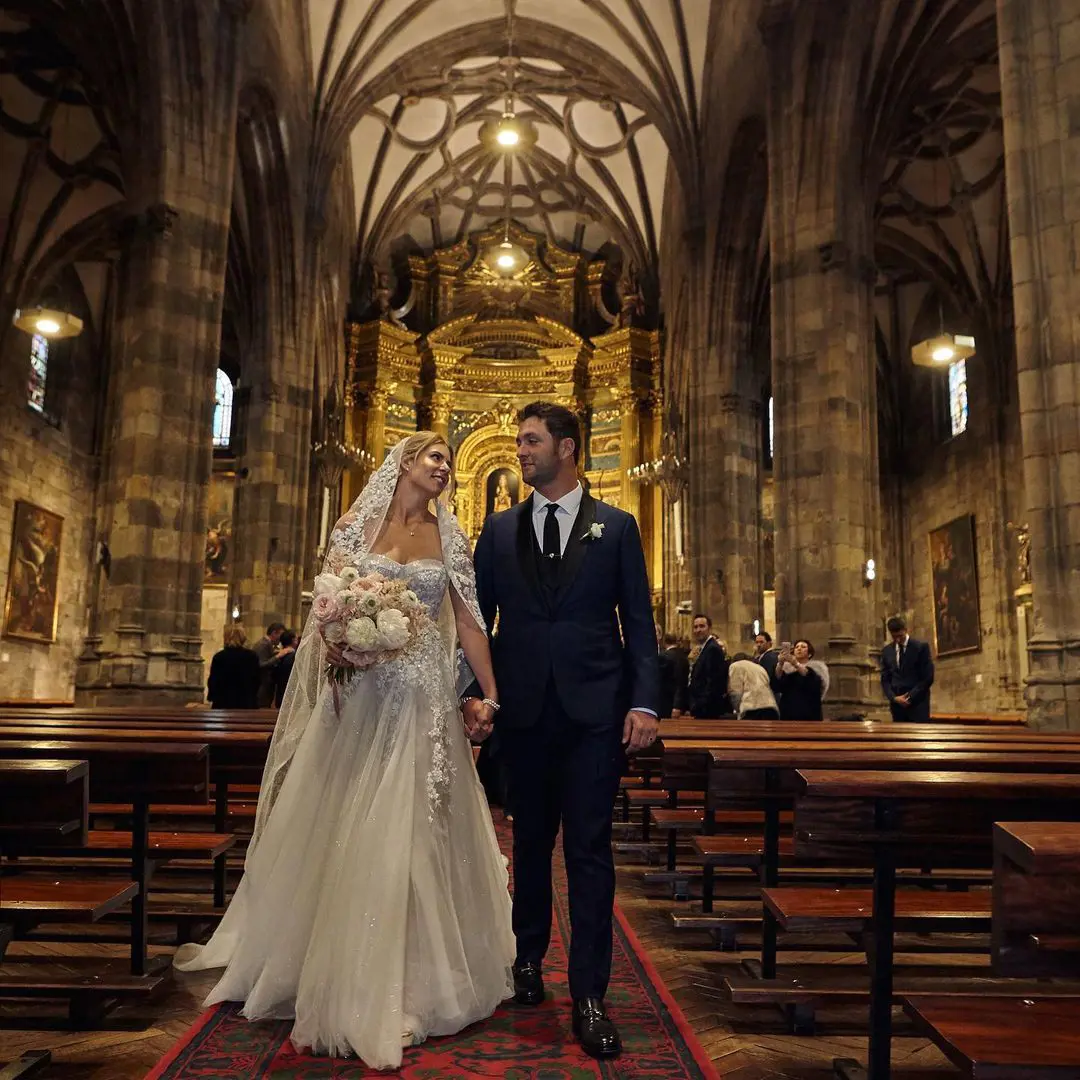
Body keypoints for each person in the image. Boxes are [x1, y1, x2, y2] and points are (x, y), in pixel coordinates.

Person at [174, 432, 514, 1070]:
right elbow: (326, 610)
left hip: (422, 700)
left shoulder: (452, 539)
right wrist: (338, 641)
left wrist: (489, 694)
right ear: (405, 463)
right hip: (358, 698)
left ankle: (414, 978)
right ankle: (327, 965)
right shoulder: (354, 525)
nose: (443, 467)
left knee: (416, 824)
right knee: (348, 819)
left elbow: (468, 620)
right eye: (433, 456)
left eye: (448, 459)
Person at [466, 401, 658, 1060]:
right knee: (530, 844)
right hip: (522, 712)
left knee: (589, 852)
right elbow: (475, 626)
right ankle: (527, 960)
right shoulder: (496, 532)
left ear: (567, 449)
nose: (518, 450)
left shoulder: (618, 527)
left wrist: (645, 706)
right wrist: (476, 696)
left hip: (595, 714)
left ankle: (590, 995)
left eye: (529, 441)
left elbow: (639, 623)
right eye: (519, 441)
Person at [880, 614, 935, 723]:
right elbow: (885, 679)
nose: (898, 640)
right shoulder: (887, 651)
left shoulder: (920, 647)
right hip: (897, 708)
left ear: (905, 630)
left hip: (917, 705)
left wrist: (909, 696)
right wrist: (893, 698)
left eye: (901, 636)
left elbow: (928, 678)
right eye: (895, 637)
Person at [207, 626, 261, 709]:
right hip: (246, 703)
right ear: (243, 638)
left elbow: (213, 681)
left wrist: (212, 697)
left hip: (223, 704)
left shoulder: (219, 657)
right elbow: (257, 680)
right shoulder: (252, 656)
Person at [687, 614, 730, 718]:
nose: (698, 630)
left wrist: (699, 705)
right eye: (695, 627)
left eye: (702, 626)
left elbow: (713, 681)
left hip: (707, 709)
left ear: (709, 628)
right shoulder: (705, 648)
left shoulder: (712, 648)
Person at [776, 639, 829, 721]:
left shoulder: (817, 668)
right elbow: (778, 681)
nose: (799, 649)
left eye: (803, 647)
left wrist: (795, 663)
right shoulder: (787, 668)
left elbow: (812, 680)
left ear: (810, 654)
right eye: (796, 647)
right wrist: (780, 663)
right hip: (788, 710)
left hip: (808, 710)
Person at [727, 653, 779, 719]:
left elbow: (735, 692)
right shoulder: (760, 667)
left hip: (751, 708)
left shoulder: (735, 666)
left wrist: (738, 710)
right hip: (771, 707)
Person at [253, 622, 291, 707]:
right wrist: (278, 656)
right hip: (262, 686)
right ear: (274, 633)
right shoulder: (263, 644)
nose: (281, 639)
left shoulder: (268, 644)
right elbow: (261, 664)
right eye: (280, 635)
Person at [657, 627, 689, 719]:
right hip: (680, 703)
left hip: (665, 702)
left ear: (664, 641)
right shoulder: (684, 657)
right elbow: (682, 683)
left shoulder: (663, 657)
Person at [272, 628, 298, 708]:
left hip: (280, 692)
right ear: (293, 640)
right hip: (289, 693)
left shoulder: (280, 654)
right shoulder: (293, 656)